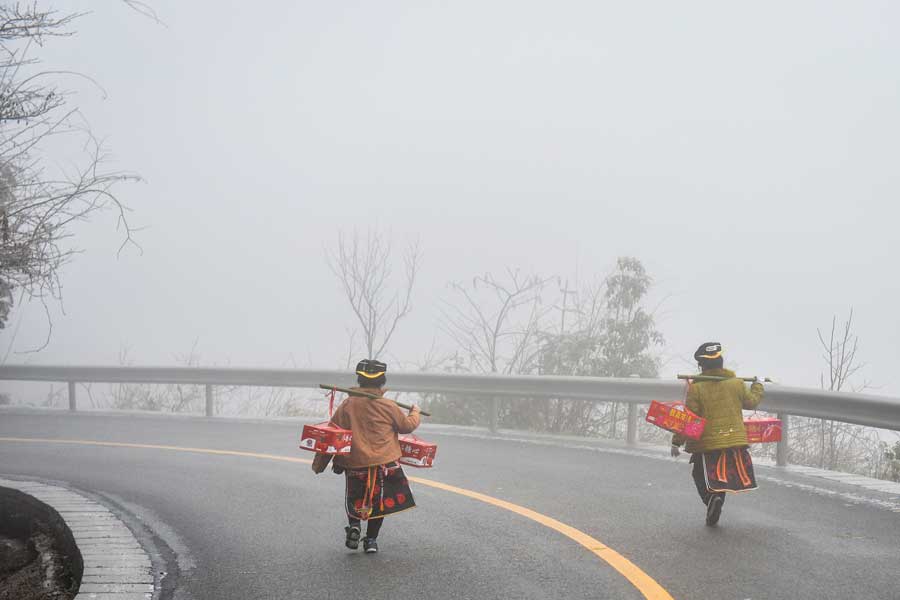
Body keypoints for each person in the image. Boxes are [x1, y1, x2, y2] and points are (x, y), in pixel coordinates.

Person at [311, 359, 420, 553]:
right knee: (379, 503)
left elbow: (331, 434)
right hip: (384, 463)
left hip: (354, 463)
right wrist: (415, 413)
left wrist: (320, 464)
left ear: (359, 380)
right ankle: (371, 541)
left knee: (355, 497)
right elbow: (407, 426)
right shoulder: (388, 406)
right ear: (382, 381)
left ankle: (354, 526)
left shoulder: (347, 405)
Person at [671, 342, 764, 526]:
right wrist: (758, 385)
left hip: (707, 443)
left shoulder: (696, 388)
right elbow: (752, 402)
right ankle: (715, 499)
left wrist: (677, 442)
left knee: (700, 474)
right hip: (733, 441)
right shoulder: (737, 384)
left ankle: (711, 499)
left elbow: (690, 419)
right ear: (721, 363)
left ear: (701, 366)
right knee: (723, 475)